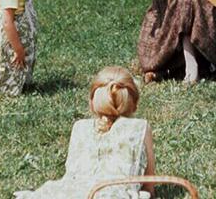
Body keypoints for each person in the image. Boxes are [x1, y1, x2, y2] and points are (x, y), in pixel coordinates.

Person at [14, 66, 156, 199]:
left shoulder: (80, 127)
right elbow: (149, 184)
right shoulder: (140, 127)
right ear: (135, 104)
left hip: (68, 192)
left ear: (92, 103)